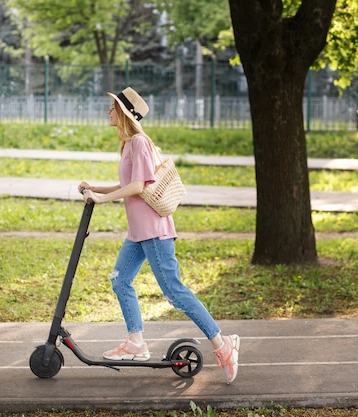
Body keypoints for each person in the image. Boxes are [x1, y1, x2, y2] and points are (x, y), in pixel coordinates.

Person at [78, 87, 240, 383]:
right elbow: (127, 185)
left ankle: (221, 342)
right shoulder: (128, 145)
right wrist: (95, 189)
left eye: (112, 107)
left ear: (124, 113)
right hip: (139, 233)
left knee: (175, 292)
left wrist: (102, 198)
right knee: (120, 279)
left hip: (154, 232)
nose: (108, 112)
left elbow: (139, 186)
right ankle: (136, 342)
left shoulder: (140, 142)